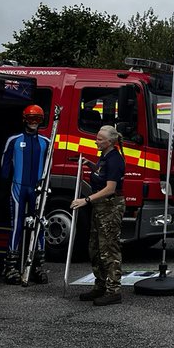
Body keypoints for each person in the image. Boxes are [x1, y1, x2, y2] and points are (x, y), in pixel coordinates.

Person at [71, 125, 126, 305]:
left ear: (110, 142)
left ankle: (113, 290)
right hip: (100, 207)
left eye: (100, 139)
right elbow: (101, 174)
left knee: (108, 248)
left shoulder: (115, 159)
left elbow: (110, 188)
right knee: (94, 248)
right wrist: (90, 164)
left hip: (110, 207)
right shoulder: (105, 157)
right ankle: (100, 285)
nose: (96, 141)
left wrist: (85, 200)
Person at [0, 105, 51, 284]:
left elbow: (48, 166)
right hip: (18, 188)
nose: (34, 123)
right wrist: (5, 180)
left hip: (37, 189)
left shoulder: (46, 142)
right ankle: (11, 267)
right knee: (17, 225)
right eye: (31, 119)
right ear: (24, 119)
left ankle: (38, 266)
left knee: (39, 225)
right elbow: (5, 163)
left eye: (37, 119)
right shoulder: (13, 140)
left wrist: (45, 186)